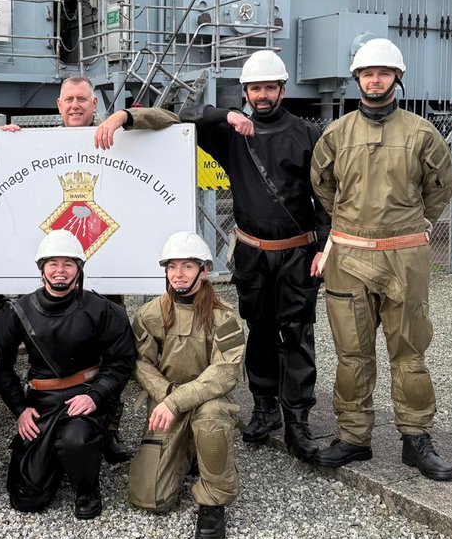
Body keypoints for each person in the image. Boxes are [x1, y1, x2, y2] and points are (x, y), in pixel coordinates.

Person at [94, 50, 330, 462]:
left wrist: (325, 247)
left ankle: (298, 420)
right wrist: (223, 116)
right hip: (253, 253)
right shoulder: (230, 134)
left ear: (283, 89)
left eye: (270, 88)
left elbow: (327, 196)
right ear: (246, 92)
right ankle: (264, 408)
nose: (262, 95)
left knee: (297, 335)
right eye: (255, 89)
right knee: (258, 330)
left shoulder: (307, 135)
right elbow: (182, 115)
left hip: (298, 252)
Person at [310, 38, 452, 481]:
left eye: (383, 72)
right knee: (352, 355)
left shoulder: (421, 132)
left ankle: (415, 439)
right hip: (349, 255)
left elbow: (440, 186)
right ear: (357, 79)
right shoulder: (336, 134)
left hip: (403, 257)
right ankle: (354, 438)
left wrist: (414, 224)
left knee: (409, 353)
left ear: (397, 78)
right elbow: (323, 185)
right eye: (367, 73)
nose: (375, 80)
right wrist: (351, 222)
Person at [0, 75, 133, 464]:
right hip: (62, 272)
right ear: (58, 105)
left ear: (95, 104)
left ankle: (107, 428)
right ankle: (54, 417)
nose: (75, 106)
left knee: (108, 352)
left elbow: (166, 123)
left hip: (107, 276)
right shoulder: (40, 144)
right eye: (68, 99)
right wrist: (11, 142)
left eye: (83, 100)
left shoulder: (120, 138)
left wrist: (122, 118)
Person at [0, 230, 137, 519]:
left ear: (79, 269)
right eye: (53, 264)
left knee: (75, 438)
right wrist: (20, 409)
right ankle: (55, 461)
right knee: (27, 499)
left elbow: (121, 360)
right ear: (41, 269)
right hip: (40, 404)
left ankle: (87, 489)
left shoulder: (102, 310)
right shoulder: (17, 312)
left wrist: (95, 396)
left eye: (68, 264)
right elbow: (0, 366)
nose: (60, 271)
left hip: (85, 398)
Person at [128, 232, 244, 539]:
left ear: (204, 271)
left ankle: (213, 500)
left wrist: (178, 401)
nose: (178, 275)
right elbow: (141, 363)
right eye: (172, 267)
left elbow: (226, 371)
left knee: (211, 421)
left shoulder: (223, 316)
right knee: (150, 497)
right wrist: (167, 396)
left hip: (208, 399)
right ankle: (187, 453)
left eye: (187, 267)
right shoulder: (150, 313)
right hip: (166, 398)